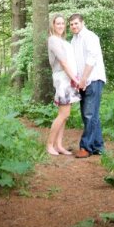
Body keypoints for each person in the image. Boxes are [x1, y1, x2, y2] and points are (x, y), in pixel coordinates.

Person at [69, 12, 106, 158]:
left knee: (89, 114)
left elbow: (92, 59)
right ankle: (98, 146)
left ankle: (86, 147)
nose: (73, 26)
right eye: (71, 24)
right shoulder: (74, 40)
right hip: (82, 82)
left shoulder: (90, 37)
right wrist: (77, 81)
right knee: (90, 115)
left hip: (93, 79)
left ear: (82, 23)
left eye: (76, 23)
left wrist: (84, 79)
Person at [46, 13, 81, 156]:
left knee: (65, 115)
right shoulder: (53, 40)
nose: (60, 26)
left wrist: (73, 77)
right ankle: (49, 145)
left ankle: (59, 145)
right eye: (57, 23)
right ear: (53, 25)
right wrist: (75, 79)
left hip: (69, 79)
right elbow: (63, 62)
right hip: (63, 79)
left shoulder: (64, 41)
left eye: (62, 23)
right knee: (62, 114)